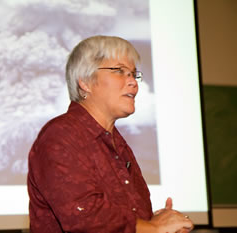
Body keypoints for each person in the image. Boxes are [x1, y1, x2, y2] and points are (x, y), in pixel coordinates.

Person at [27, 35, 193, 233]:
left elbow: (123, 219)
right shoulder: (60, 137)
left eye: (133, 74)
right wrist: (153, 228)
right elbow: (85, 220)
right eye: (120, 71)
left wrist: (161, 222)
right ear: (85, 82)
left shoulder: (118, 145)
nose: (133, 82)